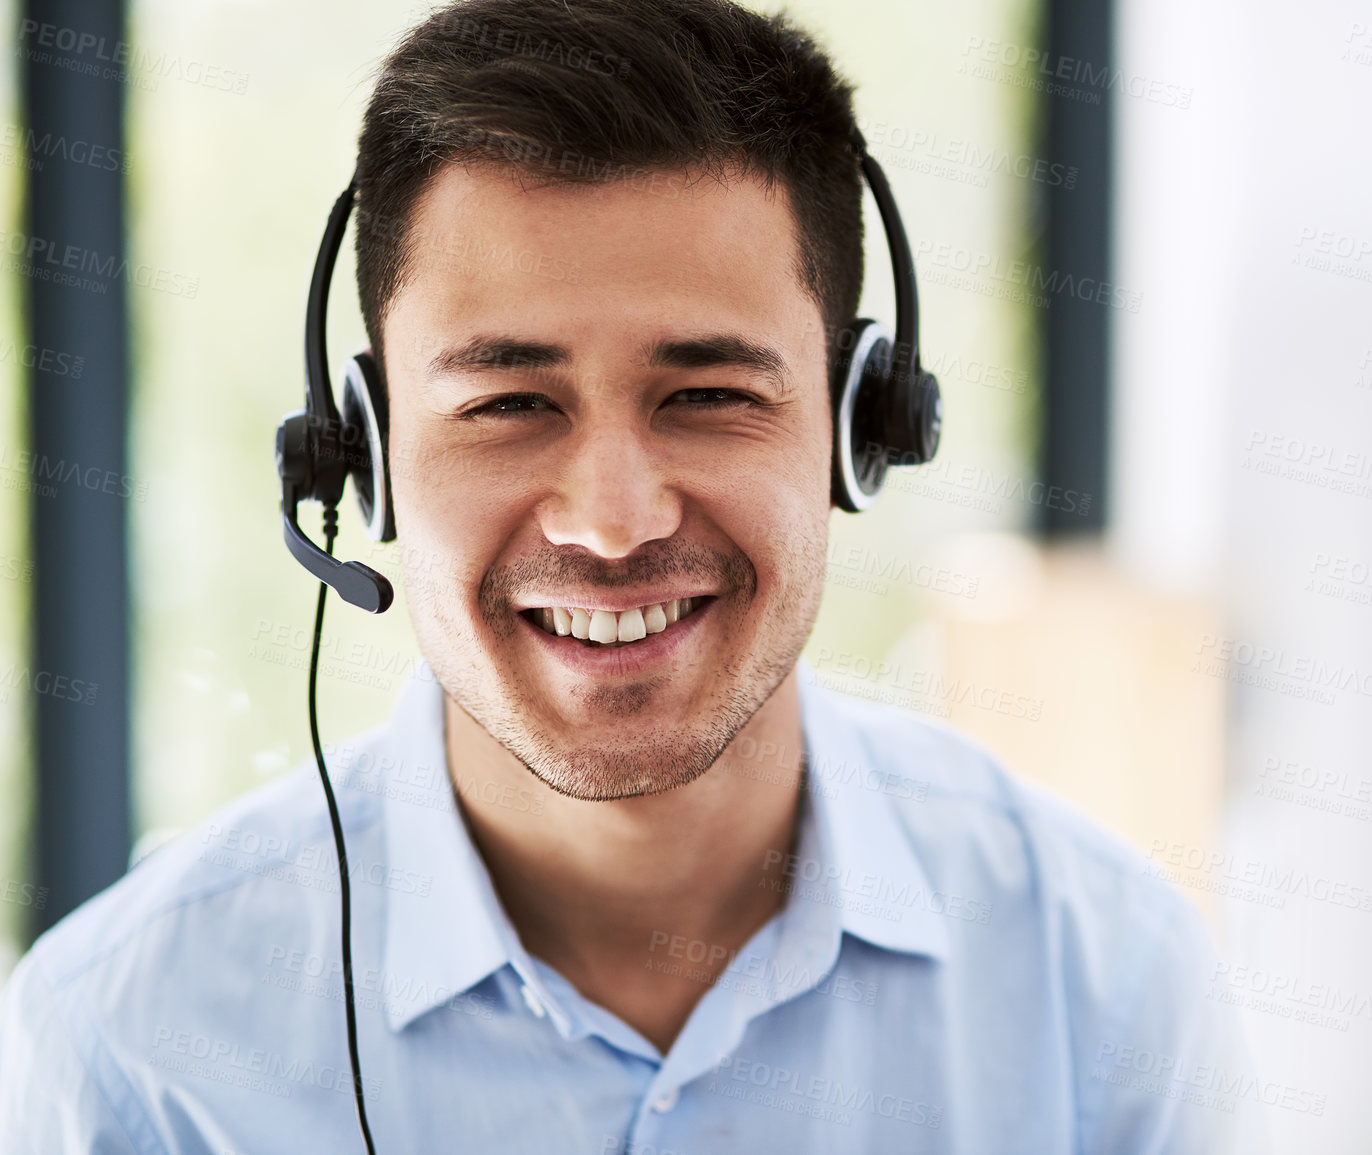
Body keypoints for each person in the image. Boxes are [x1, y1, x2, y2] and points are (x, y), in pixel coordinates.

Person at [0, 1, 1263, 1150]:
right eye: (507, 402)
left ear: (860, 423)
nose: (612, 522)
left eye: (709, 394)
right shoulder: (128, 1049)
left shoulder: (1102, 981)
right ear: (365, 454)